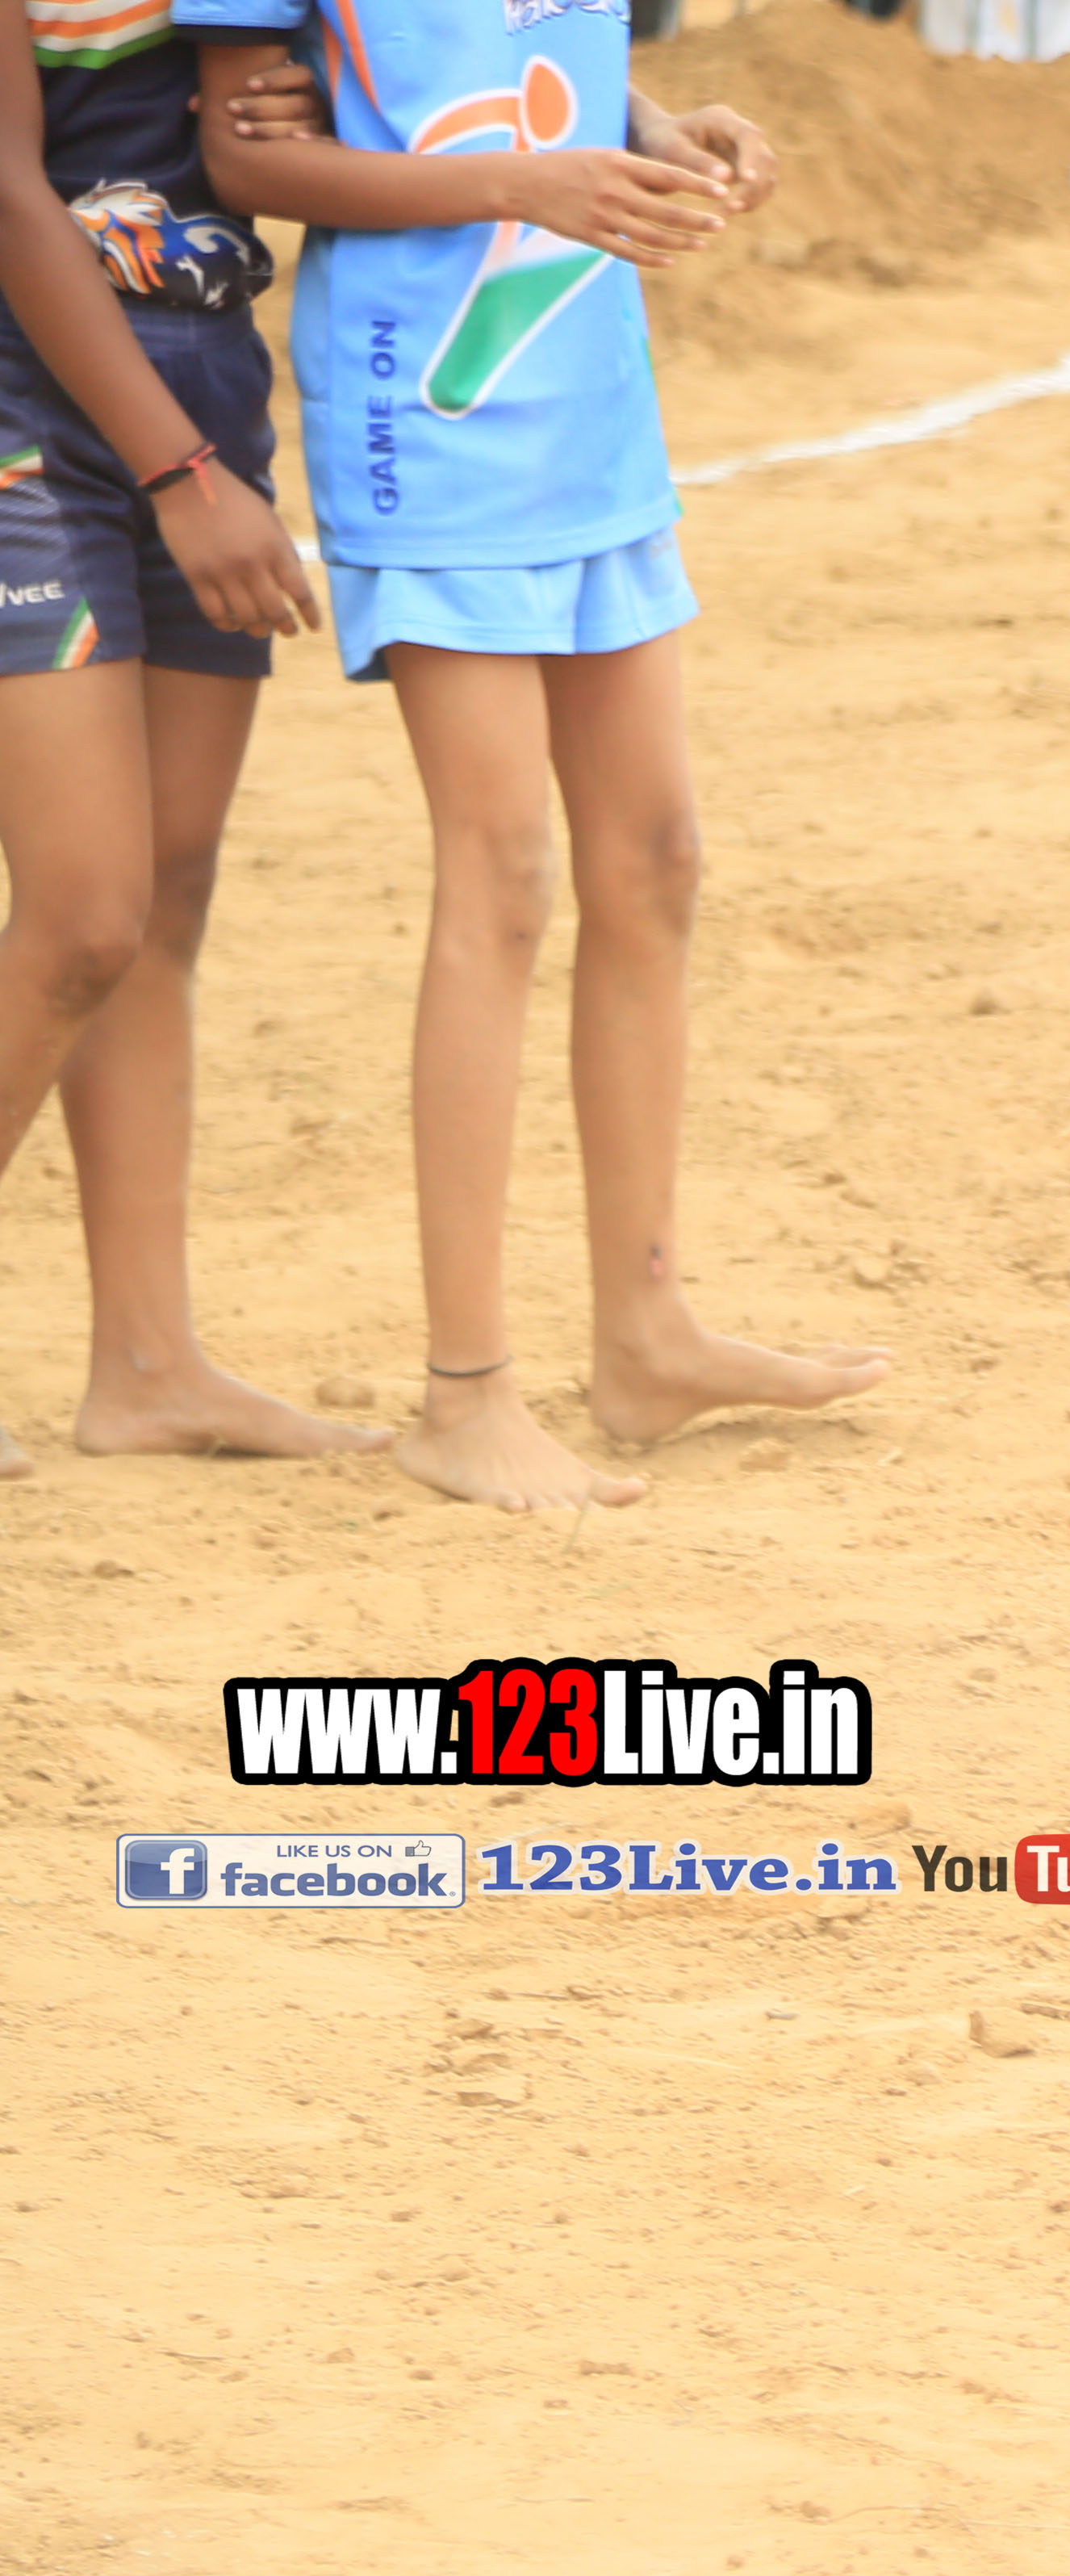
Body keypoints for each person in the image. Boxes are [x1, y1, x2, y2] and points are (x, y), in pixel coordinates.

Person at [181, 4, 880, 1511]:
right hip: (426, 416)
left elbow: (520, 73)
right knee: (500, 876)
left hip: (590, 399)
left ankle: (645, 1336)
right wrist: (522, 184)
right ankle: (464, 1393)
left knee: (658, 860)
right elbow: (247, 161)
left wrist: (655, 129)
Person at [0, 10, 374, 1480]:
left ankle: (149, 1366)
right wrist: (178, 474)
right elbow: (8, 191)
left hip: (207, 381)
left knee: (163, 899)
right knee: (87, 914)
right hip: (32, 408)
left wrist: (638, 118)